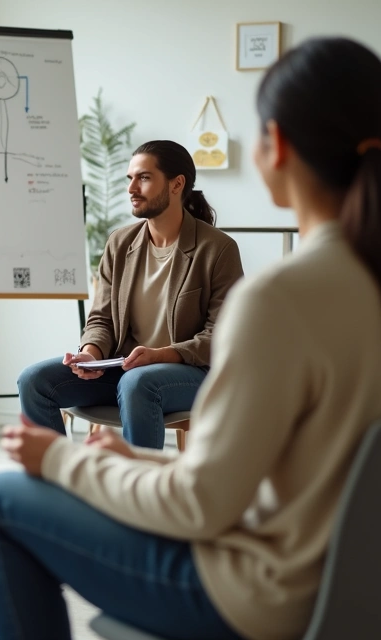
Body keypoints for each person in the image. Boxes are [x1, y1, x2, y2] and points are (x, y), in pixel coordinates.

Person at [0, 37, 381, 640]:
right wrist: (137, 463)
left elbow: (199, 506)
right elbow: (301, 470)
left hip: (280, 598)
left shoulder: (281, 296)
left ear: (275, 144)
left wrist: (62, 460)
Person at [17, 141, 243, 448]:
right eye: (130, 178)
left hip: (191, 373)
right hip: (124, 368)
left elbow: (222, 336)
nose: (131, 188)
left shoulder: (217, 249)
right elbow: (101, 319)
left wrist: (160, 355)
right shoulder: (120, 243)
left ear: (177, 184)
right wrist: (91, 355)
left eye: (144, 178)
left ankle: (136, 478)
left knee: (138, 383)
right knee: (34, 381)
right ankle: (62, 472)